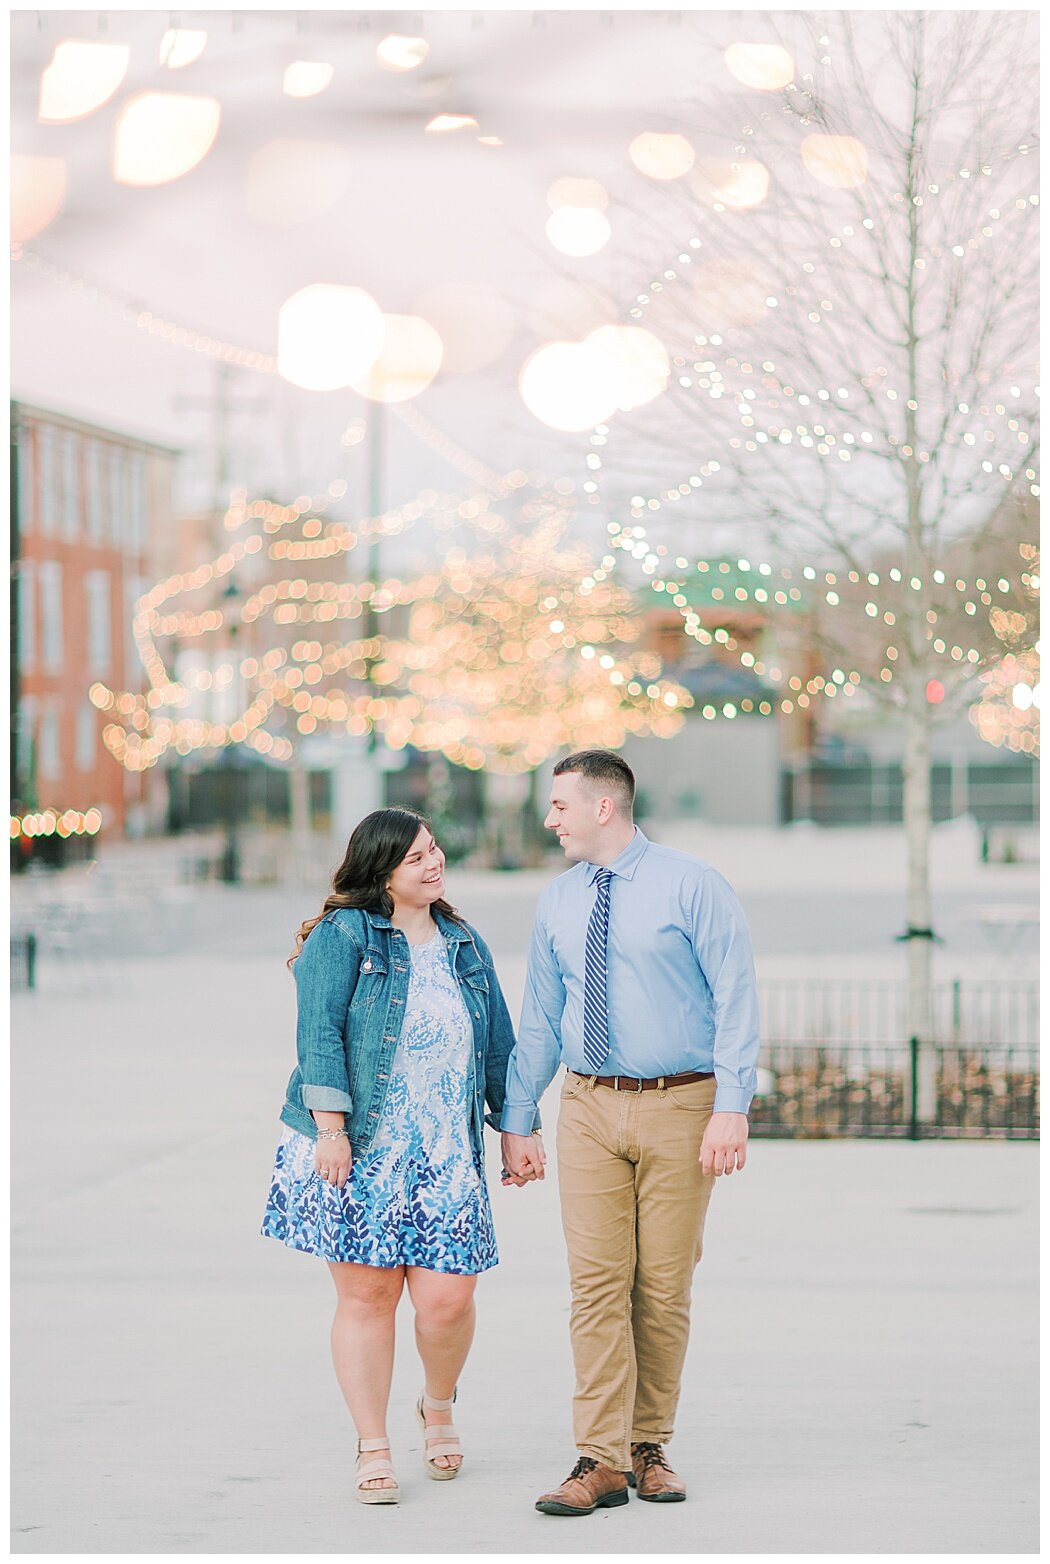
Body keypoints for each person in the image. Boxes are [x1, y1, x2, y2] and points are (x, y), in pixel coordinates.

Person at [500, 750, 760, 1517]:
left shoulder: (693, 885)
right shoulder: (557, 900)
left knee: (662, 1286)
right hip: (587, 1106)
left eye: (558, 806)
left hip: (683, 1104)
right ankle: (600, 1460)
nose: (550, 820)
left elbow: (736, 997)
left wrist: (732, 1105)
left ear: (602, 807)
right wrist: (520, 1117)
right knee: (596, 1284)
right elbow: (540, 1018)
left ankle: (650, 1446)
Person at [261, 807, 527, 1505]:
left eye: (435, 849)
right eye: (416, 858)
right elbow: (317, 1034)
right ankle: (371, 1442)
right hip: (358, 1145)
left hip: (443, 1149)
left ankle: (437, 1404)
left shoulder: (463, 942)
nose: (434, 863)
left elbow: (496, 1039)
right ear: (381, 871)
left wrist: (516, 1126)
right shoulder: (343, 936)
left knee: (447, 1299)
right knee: (368, 1296)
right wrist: (330, 1130)